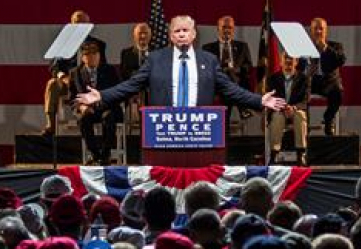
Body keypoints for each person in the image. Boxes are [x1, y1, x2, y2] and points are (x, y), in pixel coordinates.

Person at [76, 15, 286, 114]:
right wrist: (101, 96)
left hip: (200, 127)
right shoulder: (156, 59)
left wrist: (259, 100)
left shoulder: (209, 60)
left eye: (186, 30)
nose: (182, 34)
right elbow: (130, 85)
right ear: (171, 36)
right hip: (165, 127)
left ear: (194, 35)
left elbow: (231, 90)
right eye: (177, 31)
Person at [68, 41, 121, 165]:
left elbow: (117, 93)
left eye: (95, 54)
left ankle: (105, 154)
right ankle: (95, 155)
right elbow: (72, 98)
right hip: (88, 110)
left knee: (108, 118)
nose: (92, 57)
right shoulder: (75, 73)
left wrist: (102, 104)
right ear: (83, 57)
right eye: (88, 54)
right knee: (84, 120)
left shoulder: (109, 70)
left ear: (99, 56)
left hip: (106, 108)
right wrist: (81, 107)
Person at [300, 18, 346, 135]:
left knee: (338, 92)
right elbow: (297, 66)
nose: (319, 31)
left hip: (328, 82)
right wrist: (306, 70)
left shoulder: (335, 46)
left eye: (321, 28)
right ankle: (300, 124)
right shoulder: (304, 47)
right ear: (311, 31)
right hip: (310, 81)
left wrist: (324, 48)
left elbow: (341, 60)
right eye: (316, 28)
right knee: (294, 90)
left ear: (326, 31)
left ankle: (328, 120)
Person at [266, 56, 309, 166]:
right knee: (276, 117)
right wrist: (284, 107)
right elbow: (270, 98)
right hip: (280, 109)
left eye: (291, 62)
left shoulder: (303, 78)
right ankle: (274, 154)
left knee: (300, 115)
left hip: (296, 109)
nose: (288, 63)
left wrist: (293, 108)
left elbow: (305, 100)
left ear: (296, 62)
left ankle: (301, 154)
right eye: (286, 61)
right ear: (281, 62)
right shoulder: (273, 78)